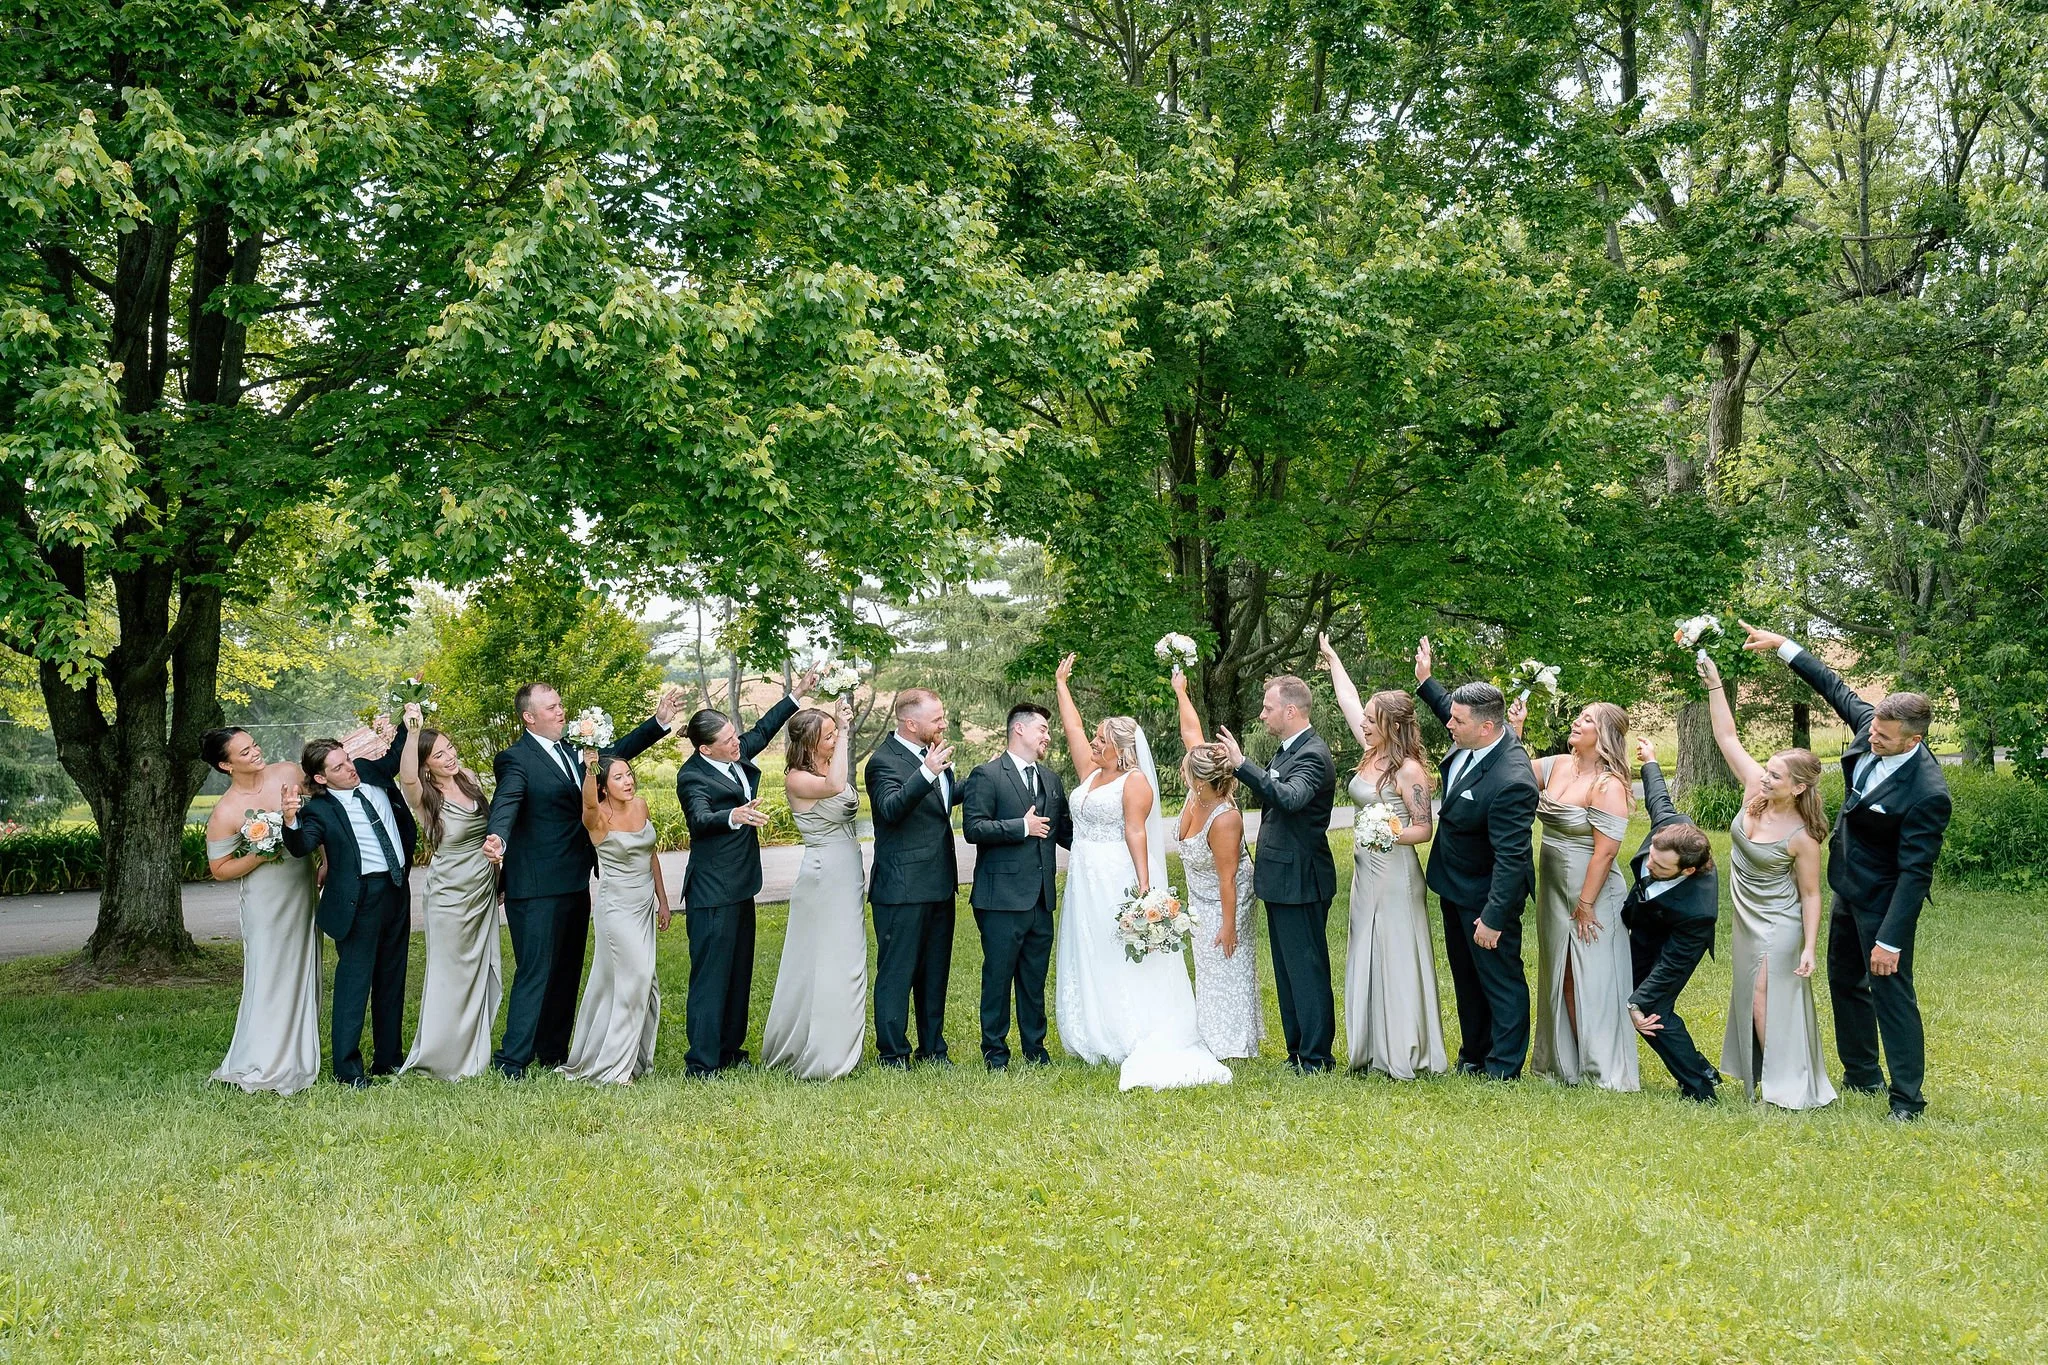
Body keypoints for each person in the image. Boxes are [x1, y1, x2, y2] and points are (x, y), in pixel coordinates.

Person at [1739, 622, 1951, 1119]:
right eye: (1872, 728)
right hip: (1845, 890)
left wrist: (1891, 940)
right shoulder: (1871, 729)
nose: (1872, 736)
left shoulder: (1928, 794)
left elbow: (1915, 873)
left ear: (1913, 740)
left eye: (1883, 735)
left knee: (1890, 990)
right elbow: (1834, 686)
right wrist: (1783, 647)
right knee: (1844, 982)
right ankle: (1862, 1075)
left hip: (1884, 900)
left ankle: (1907, 1099)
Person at [481, 683, 677, 1079]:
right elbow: (508, 800)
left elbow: (619, 757)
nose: (561, 711)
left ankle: (552, 1050)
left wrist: (658, 722)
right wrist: (497, 835)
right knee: (536, 970)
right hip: (534, 883)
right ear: (529, 717)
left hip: (575, 879)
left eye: (560, 705)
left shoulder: (576, 752)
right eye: (551, 707)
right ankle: (512, 1059)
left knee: (568, 970)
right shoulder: (515, 759)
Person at [1053, 653, 1230, 1090]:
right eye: (1094, 739)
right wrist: (1061, 686)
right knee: (1089, 944)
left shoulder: (1133, 783)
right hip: (1084, 877)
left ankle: (1125, 1028)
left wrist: (1145, 891)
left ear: (1120, 747)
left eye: (1100, 740)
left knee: (1117, 949)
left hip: (1117, 875)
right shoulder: (1090, 775)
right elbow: (1073, 730)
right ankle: (1090, 1027)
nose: (1093, 744)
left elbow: (1137, 834)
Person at [1699, 653, 1837, 1110]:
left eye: (1775, 775)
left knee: (1763, 993)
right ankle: (1769, 1077)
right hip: (1746, 918)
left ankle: (1781, 1086)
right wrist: (1715, 683)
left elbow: (1812, 895)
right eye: (1768, 770)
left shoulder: (1803, 838)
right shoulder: (1753, 789)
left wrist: (1809, 947)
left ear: (1798, 787)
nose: (1765, 777)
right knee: (1749, 992)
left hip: (1780, 924)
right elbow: (1726, 736)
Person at [672, 669, 818, 1077]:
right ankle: (701, 1061)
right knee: (710, 977)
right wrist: (732, 815)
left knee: (738, 972)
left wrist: (797, 694)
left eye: (735, 735)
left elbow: (765, 729)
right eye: (727, 740)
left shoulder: (736, 755)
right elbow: (700, 819)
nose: (737, 742)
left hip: (741, 885)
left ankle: (729, 1048)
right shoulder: (691, 777)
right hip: (712, 891)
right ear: (705, 749)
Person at [1413, 637, 1540, 1079]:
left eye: (1458, 721)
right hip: (1453, 883)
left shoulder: (1512, 779)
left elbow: (1512, 857)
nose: (1449, 723)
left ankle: (1503, 1067)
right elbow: (1452, 707)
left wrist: (1493, 917)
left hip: (1485, 893)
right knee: (1466, 977)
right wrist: (1426, 682)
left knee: (1500, 980)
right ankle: (1474, 1054)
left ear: (1486, 728)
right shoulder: (1474, 735)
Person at [1318, 635, 1443, 1079]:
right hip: (1365, 874)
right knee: (1365, 949)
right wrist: (1333, 658)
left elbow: (1423, 828)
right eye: (1366, 720)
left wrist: (1388, 832)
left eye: (1372, 721)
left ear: (1390, 725)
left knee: (1395, 951)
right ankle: (1369, 1046)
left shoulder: (1409, 770)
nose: (1364, 724)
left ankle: (1403, 1048)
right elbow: (1348, 699)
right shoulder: (1370, 752)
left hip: (1395, 872)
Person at [281, 723, 415, 1087]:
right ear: (321, 779)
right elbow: (301, 845)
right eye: (338, 767)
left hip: (397, 888)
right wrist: (290, 820)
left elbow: (398, 754)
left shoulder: (369, 772)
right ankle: (348, 1070)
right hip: (359, 900)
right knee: (355, 985)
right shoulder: (317, 812)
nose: (350, 769)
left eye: (347, 760)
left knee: (392, 978)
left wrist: (409, 714)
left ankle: (388, 1060)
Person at [1217, 675, 1339, 1073]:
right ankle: (1297, 1051)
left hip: (1303, 878)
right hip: (1281, 877)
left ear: (1290, 711)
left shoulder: (1313, 755)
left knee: (1306, 970)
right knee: (1287, 971)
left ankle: (1317, 1057)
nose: (1262, 714)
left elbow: (1289, 798)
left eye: (1268, 708)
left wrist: (1242, 765)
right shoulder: (1288, 751)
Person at [1524, 701, 1639, 1092]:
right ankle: (1566, 1062)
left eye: (1587, 719)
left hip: (1591, 893)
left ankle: (1600, 1065)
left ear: (1604, 735)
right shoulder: (1556, 764)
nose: (1576, 721)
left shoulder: (1609, 785)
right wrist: (1516, 729)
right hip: (1554, 887)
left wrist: (1586, 904)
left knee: (1593, 975)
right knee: (1562, 972)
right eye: (1580, 715)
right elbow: (1513, 774)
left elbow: (1605, 851)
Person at [202, 727, 322, 1095]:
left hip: (301, 888)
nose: (256, 752)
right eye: (244, 751)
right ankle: (263, 1057)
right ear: (225, 764)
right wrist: (258, 854)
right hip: (265, 899)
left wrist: (325, 858)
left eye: (254, 745)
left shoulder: (287, 772)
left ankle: (299, 1053)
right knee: (269, 971)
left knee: (304, 966)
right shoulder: (226, 810)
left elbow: (320, 813)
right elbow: (219, 869)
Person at [961, 701, 1073, 1070]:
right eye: (1042, 728)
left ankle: (1035, 1049)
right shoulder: (987, 775)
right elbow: (973, 828)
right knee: (997, 976)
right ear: (1019, 730)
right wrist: (1020, 827)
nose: (1047, 736)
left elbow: (1066, 833)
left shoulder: (1052, 780)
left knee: (1034, 978)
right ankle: (994, 1052)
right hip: (1000, 899)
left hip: (1041, 898)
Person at [763, 699, 869, 1080]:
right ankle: (824, 1050)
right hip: (824, 872)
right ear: (810, 743)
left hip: (848, 868)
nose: (836, 737)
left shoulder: (828, 762)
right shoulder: (797, 777)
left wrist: (830, 707)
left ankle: (843, 1039)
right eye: (829, 736)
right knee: (828, 959)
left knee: (849, 955)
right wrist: (842, 731)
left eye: (836, 732)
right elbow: (836, 786)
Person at [394, 707, 500, 1080]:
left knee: (478, 969)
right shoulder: (422, 794)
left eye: (450, 748)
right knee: (449, 972)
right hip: (449, 893)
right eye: (439, 754)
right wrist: (412, 732)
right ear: (426, 766)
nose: (450, 756)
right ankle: (442, 1055)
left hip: (483, 885)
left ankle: (473, 1047)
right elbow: (405, 773)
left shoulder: (469, 778)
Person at [863, 687, 966, 1069]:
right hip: (901, 888)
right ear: (911, 723)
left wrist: (988, 776)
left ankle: (933, 1049)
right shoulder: (882, 762)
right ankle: (893, 1053)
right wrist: (927, 772)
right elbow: (891, 809)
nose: (944, 723)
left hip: (940, 882)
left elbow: (944, 799)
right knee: (897, 974)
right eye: (937, 718)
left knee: (934, 972)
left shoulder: (933, 755)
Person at [1170, 667, 1265, 1060]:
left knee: (1224, 957)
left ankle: (1232, 1041)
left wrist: (1229, 925)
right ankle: (1209, 1032)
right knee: (1207, 965)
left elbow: (1228, 880)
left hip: (1228, 898)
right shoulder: (1199, 793)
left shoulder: (1224, 818)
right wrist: (1181, 692)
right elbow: (1191, 733)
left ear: (1199, 780)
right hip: (1200, 897)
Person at [1621, 736, 1722, 1103]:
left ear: (1689, 870)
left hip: (1675, 945)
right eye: (1651, 857)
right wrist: (1649, 761)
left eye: (1660, 867)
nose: (1649, 865)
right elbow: (1658, 799)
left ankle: (1699, 1088)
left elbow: (1668, 969)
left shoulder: (1697, 910)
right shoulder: (1671, 829)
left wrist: (1636, 1003)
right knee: (1636, 998)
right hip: (1645, 928)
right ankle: (1701, 1068)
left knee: (1651, 1008)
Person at [562, 747, 669, 1084]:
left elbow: (651, 856)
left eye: (629, 774)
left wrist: (662, 901)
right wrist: (591, 767)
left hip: (643, 905)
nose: (628, 781)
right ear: (604, 785)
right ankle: (612, 1068)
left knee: (646, 982)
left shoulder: (641, 806)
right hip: (617, 908)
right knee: (633, 979)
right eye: (619, 777)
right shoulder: (598, 818)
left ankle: (635, 1061)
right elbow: (589, 804)